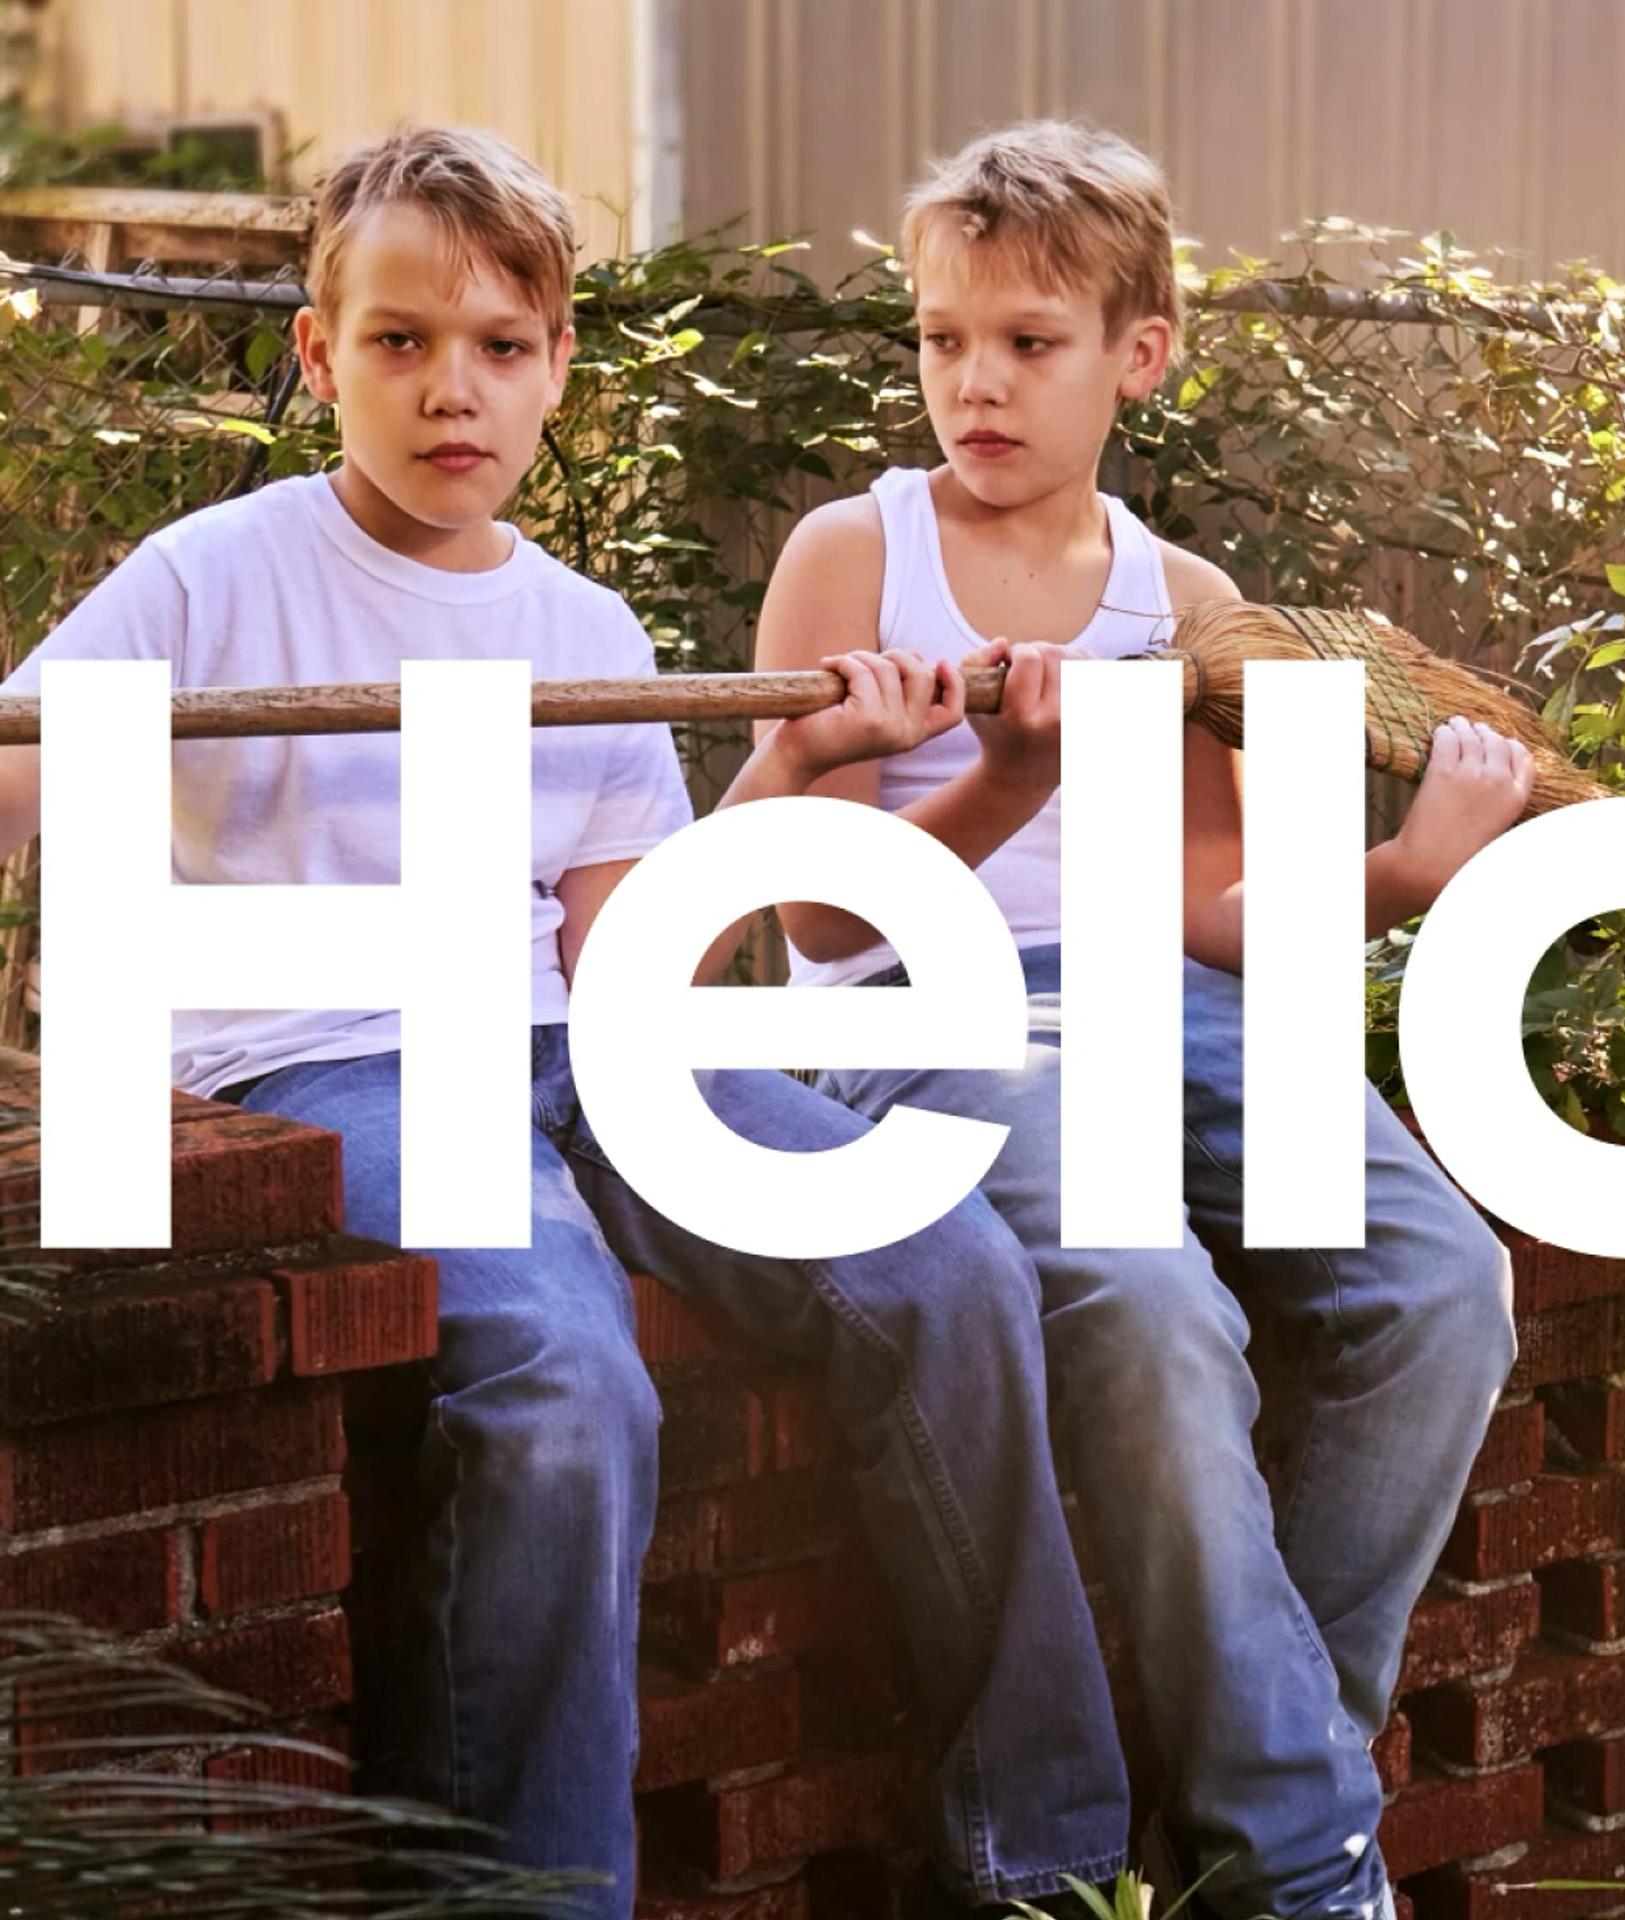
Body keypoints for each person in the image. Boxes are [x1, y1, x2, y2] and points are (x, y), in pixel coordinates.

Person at [0, 126, 1141, 1919]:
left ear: (555, 366)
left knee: (944, 1259)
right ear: (320, 357)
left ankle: (1049, 1860)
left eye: (499, 346)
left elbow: (640, 975)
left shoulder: (580, 625)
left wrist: (804, 762)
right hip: (324, 1059)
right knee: (561, 1375)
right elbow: (13, 784)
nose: (451, 390)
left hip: (568, 1042)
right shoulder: (207, 580)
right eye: (399, 343)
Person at [753, 119, 1527, 1920]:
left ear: (1138, 354)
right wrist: (1005, 786)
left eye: (1029, 342)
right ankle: (1301, 1867)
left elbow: (1205, 914)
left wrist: (1408, 871)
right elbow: (800, 910)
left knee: (1442, 1288)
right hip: (922, 1006)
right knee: (1152, 1297)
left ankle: (1254, 1801)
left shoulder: (1178, 605)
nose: (978, 383)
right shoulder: (851, 557)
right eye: (946, 340)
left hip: (1154, 999)